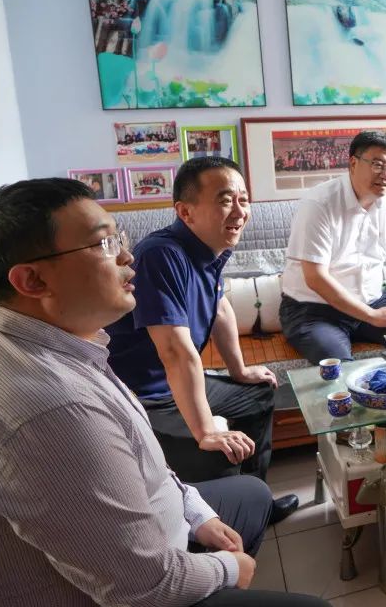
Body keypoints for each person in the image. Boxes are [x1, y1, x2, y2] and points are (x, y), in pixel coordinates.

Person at [0, 178, 334, 607]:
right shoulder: (52, 412)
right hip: (122, 597)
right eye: (104, 244)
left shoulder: (63, 343)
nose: (127, 257)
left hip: (153, 528)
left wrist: (198, 515)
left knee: (252, 493)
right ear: (32, 279)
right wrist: (228, 568)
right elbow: (142, 589)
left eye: (119, 239)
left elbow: (149, 466)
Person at [106, 157, 298, 524]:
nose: (239, 211)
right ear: (185, 211)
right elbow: (175, 351)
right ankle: (221, 524)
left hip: (173, 383)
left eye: (244, 200)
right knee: (218, 451)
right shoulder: (161, 256)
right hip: (148, 396)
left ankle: (257, 501)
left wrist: (239, 370)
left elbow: (220, 306)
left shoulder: (210, 248)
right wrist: (207, 430)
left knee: (258, 393)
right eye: (226, 200)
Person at [279, 130, 386, 364]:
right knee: (336, 361)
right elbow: (315, 277)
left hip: (372, 303)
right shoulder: (319, 204)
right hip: (315, 311)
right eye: (377, 165)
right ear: (353, 163)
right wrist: (371, 316)